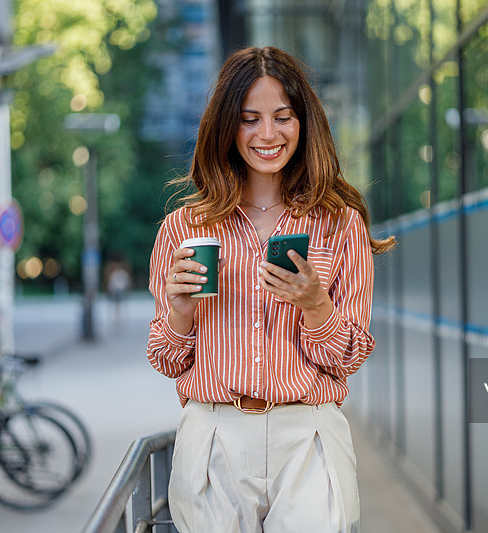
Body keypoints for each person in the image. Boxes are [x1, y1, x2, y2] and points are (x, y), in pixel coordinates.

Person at [146, 46, 395, 533]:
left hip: (308, 433)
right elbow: (166, 358)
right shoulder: (183, 228)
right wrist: (177, 312)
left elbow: (347, 359)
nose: (267, 134)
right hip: (214, 434)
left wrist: (316, 305)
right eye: (249, 118)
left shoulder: (339, 225)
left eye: (282, 117)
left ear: (304, 123)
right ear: (226, 126)